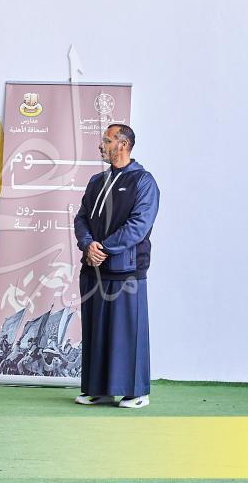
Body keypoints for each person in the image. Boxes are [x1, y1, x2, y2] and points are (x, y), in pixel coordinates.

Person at [73, 124, 159, 409]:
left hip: (127, 271)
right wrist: (88, 245)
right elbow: (81, 218)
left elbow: (138, 226)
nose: (101, 145)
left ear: (123, 144)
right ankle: (99, 390)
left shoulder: (143, 182)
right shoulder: (97, 181)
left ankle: (136, 393)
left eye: (107, 140)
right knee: (96, 332)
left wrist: (104, 249)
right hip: (93, 269)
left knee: (127, 334)